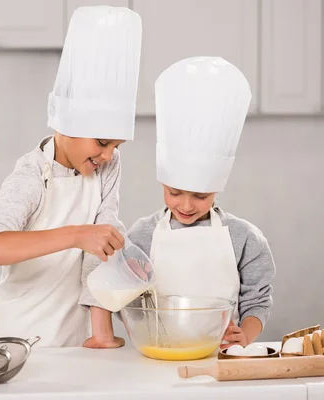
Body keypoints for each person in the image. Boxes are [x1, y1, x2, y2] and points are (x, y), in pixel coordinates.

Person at [0, 6, 142, 348]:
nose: (108, 154)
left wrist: (101, 334)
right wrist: (76, 235)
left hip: (72, 340)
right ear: (66, 124)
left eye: (116, 145)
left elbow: (99, 249)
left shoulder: (107, 164)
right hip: (13, 337)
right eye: (102, 142)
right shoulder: (32, 174)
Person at [85, 57, 276, 349]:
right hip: (155, 353)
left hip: (222, 355)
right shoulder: (142, 234)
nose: (186, 205)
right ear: (163, 183)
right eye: (174, 193)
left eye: (200, 196)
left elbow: (257, 300)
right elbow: (121, 295)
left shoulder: (245, 237)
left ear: (216, 190)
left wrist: (245, 335)